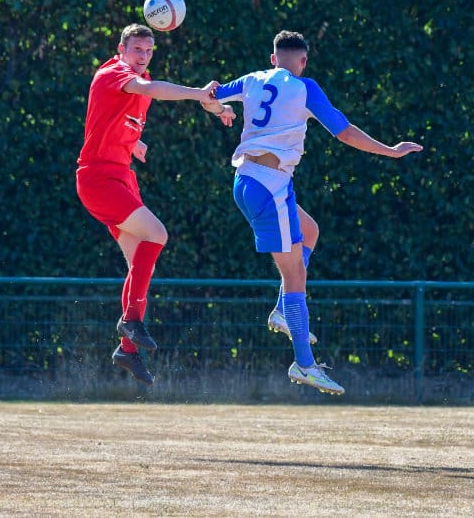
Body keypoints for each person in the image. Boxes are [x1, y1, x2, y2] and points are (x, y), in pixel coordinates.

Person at [203, 30, 423, 395]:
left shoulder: (253, 79)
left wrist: (220, 108)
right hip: (269, 186)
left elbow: (209, 95)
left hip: (249, 180)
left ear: (273, 58)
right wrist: (391, 150)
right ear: (303, 61)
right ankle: (304, 364)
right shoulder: (305, 87)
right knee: (295, 275)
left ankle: (282, 312)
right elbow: (345, 132)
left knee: (310, 231)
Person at [76, 23, 230, 385]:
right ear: (121, 50)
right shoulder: (115, 73)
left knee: (139, 265)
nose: (143, 56)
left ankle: (127, 350)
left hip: (120, 178)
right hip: (99, 180)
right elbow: (151, 89)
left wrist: (133, 144)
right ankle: (130, 322)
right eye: (137, 50)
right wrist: (198, 93)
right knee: (158, 234)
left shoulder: (136, 81)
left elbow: (114, 122)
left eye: (148, 51)